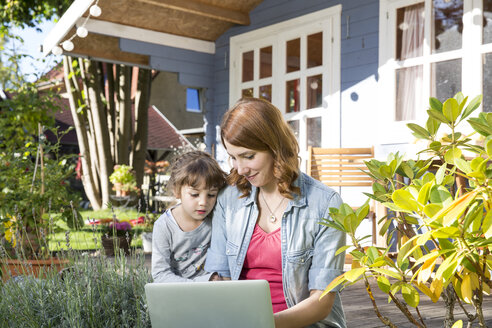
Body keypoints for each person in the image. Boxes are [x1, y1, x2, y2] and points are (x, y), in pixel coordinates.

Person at [204, 98, 346, 328]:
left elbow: (322, 301)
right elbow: (221, 279)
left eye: (248, 156)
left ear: (275, 147)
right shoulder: (228, 200)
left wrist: (265, 323)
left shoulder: (325, 204)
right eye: (233, 157)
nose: (240, 169)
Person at [152, 150, 227, 283]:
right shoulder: (164, 226)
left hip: (213, 294)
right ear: (176, 191)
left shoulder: (216, 218)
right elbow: (160, 274)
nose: (203, 202)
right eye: (194, 194)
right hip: (178, 296)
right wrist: (201, 283)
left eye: (211, 195)